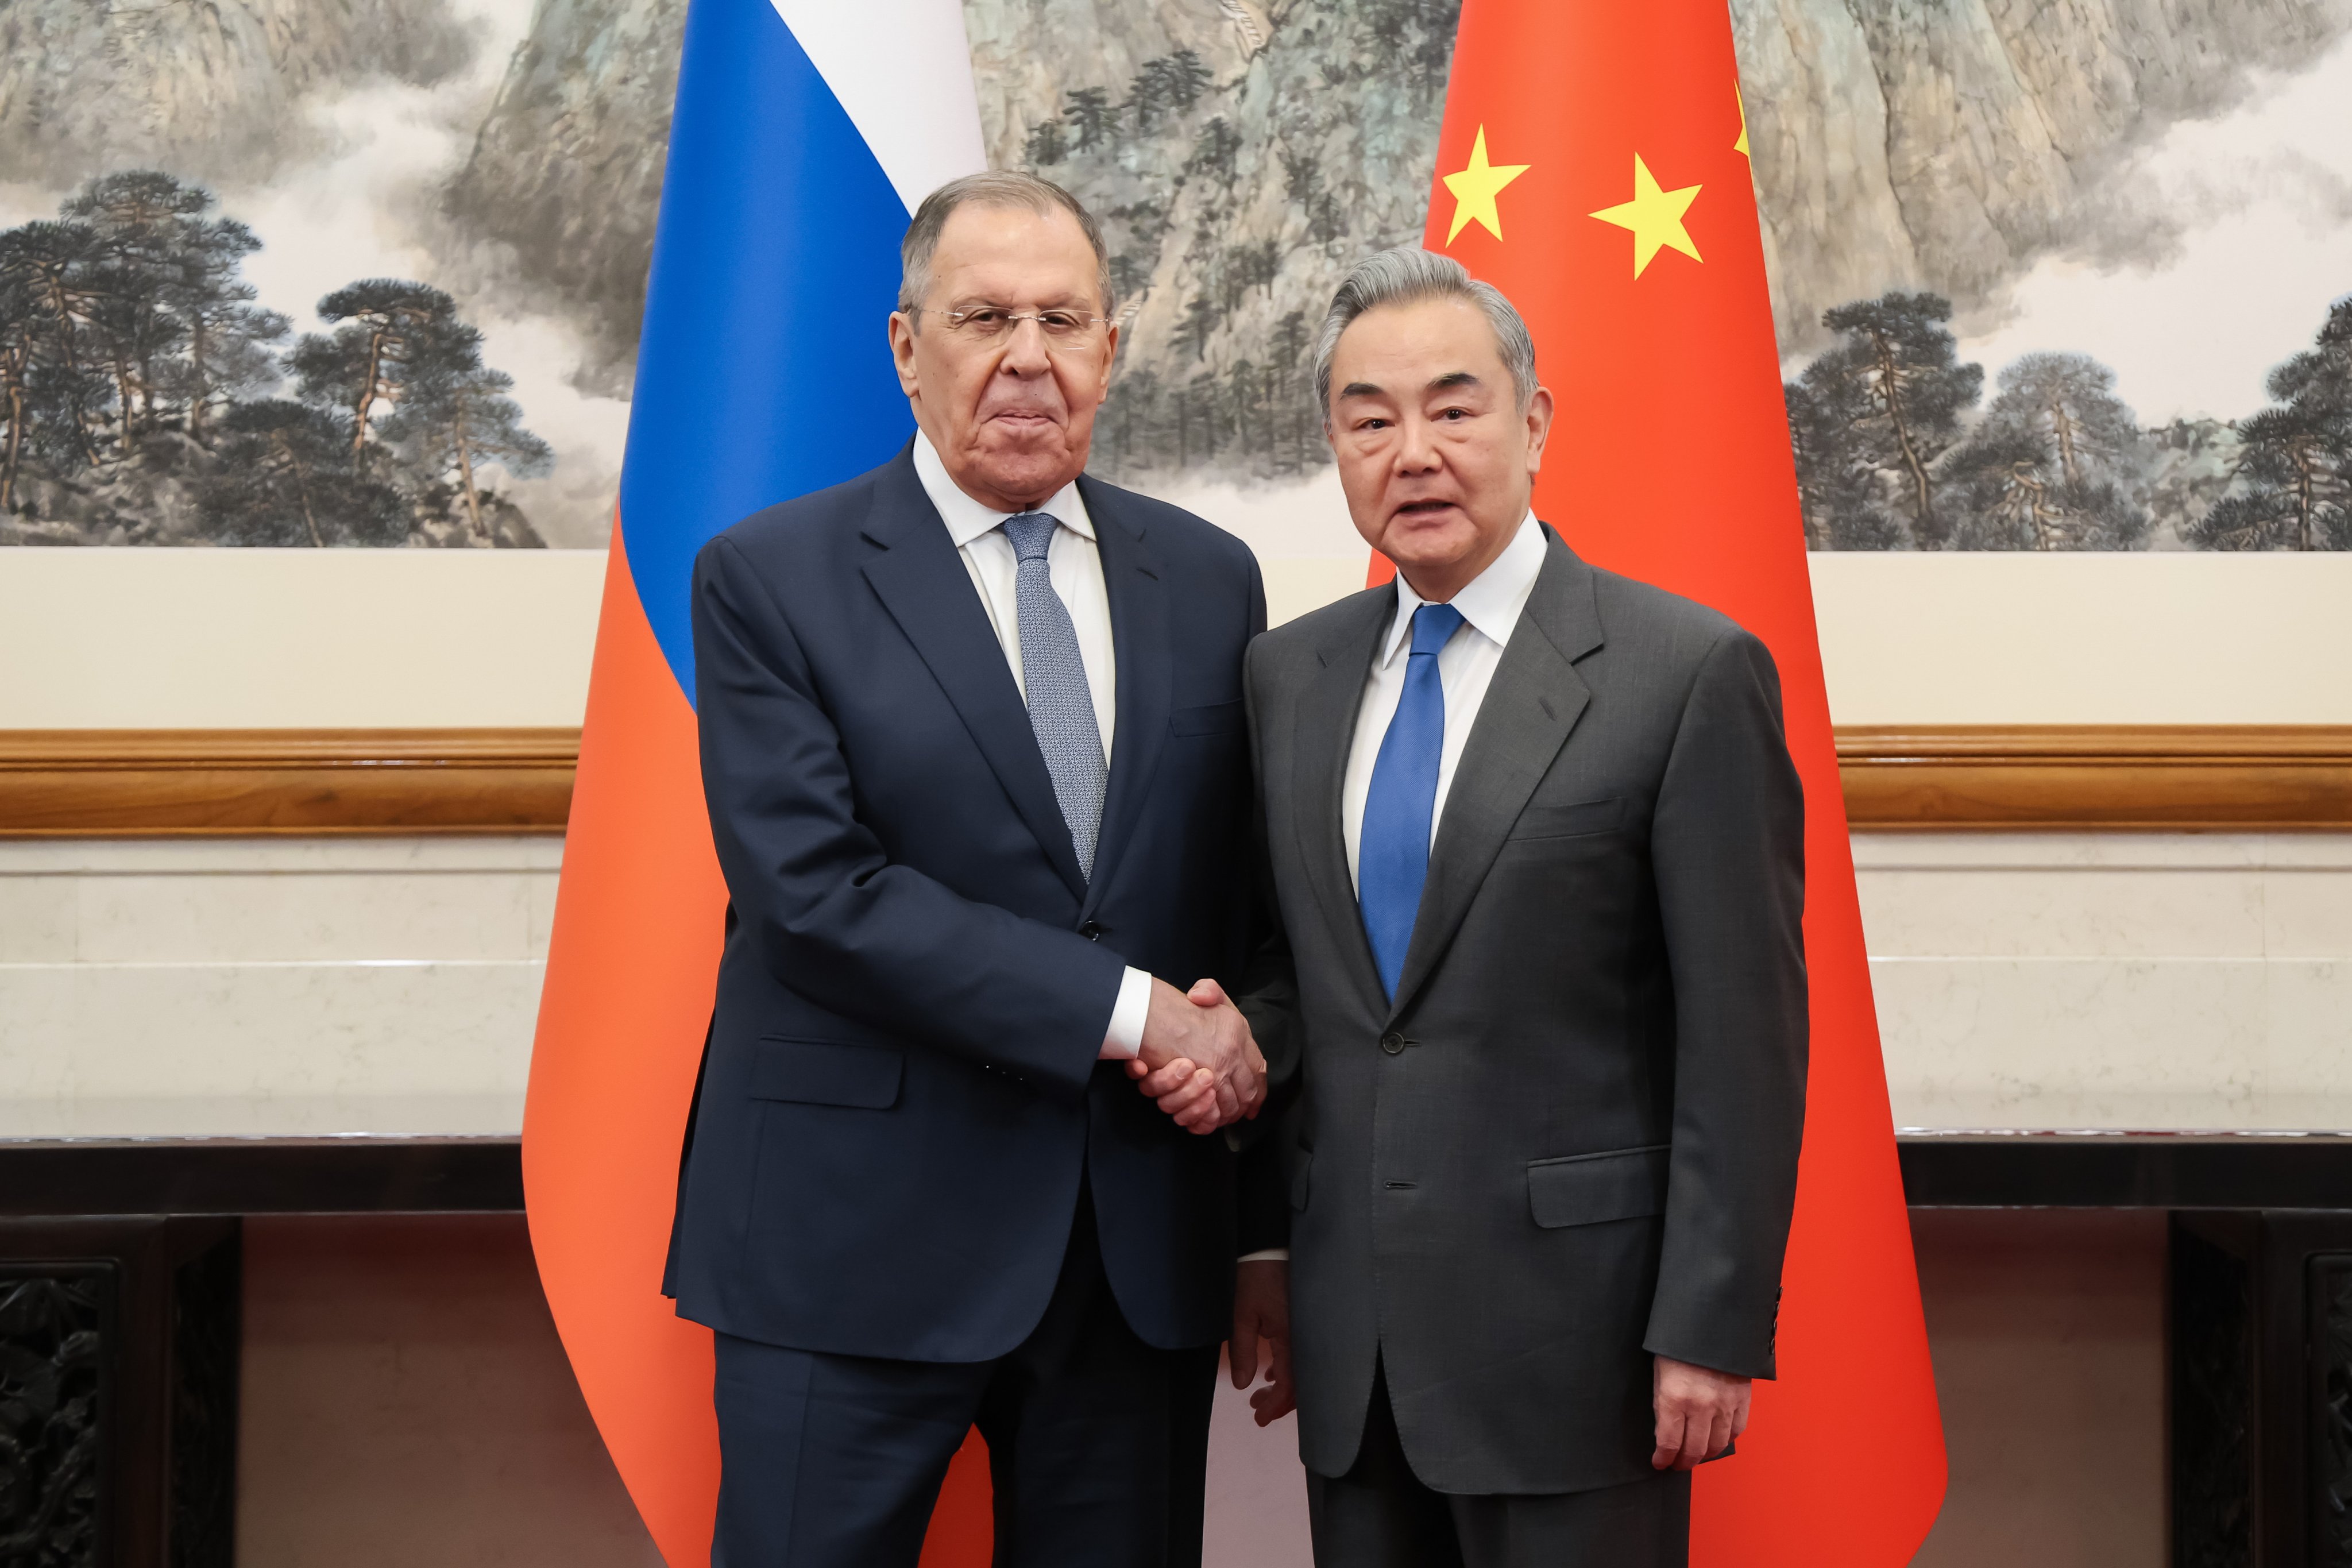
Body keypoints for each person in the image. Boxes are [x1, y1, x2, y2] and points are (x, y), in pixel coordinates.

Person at [662, 171, 1278, 1568]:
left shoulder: (1210, 579)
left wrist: (1253, 1176)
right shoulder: (769, 578)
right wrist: (1134, 1014)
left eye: (1061, 321)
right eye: (984, 317)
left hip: (1127, 1253)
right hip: (845, 1242)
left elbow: (1239, 905)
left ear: (1110, 351)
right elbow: (814, 897)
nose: (1025, 357)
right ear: (906, 346)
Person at [1228, 247, 1809, 1566]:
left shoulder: (1683, 672)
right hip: (1354, 1344)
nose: (1413, 453)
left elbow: (1743, 1037)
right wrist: (1260, 1243)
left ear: (1533, 423)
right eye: (1368, 421)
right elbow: (1293, 983)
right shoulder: (1286, 678)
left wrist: (1708, 1323)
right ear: (1335, 447)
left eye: (1453, 408)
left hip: (1578, 1346)